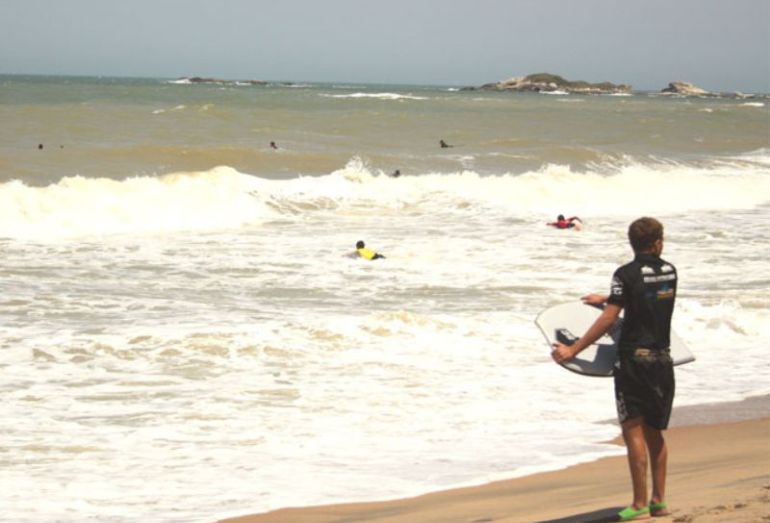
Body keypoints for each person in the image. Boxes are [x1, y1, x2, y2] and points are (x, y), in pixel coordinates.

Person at [551, 217, 676, 522]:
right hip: (662, 360)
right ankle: (658, 501)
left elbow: (609, 320)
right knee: (655, 433)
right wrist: (608, 297)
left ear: (631, 243)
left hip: (633, 361)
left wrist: (573, 349)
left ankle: (638, 504)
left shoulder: (624, 273)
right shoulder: (670, 271)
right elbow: (644, 293)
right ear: (658, 242)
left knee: (632, 429)